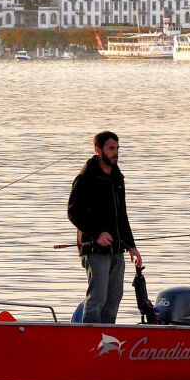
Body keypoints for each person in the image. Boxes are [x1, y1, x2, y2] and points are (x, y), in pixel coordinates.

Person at [67, 130, 141, 324]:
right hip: (94, 250)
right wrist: (97, 233)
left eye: (117, 148)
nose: (115, 152)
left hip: (117, 250)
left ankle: (106, 339)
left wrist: (132, 246)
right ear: (98, 150)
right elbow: (73, 212)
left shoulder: (118, 178)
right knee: (97, 298)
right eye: (111, 148)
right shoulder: (86, 178)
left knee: (114, 298)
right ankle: (90, 342)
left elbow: (122, 216)